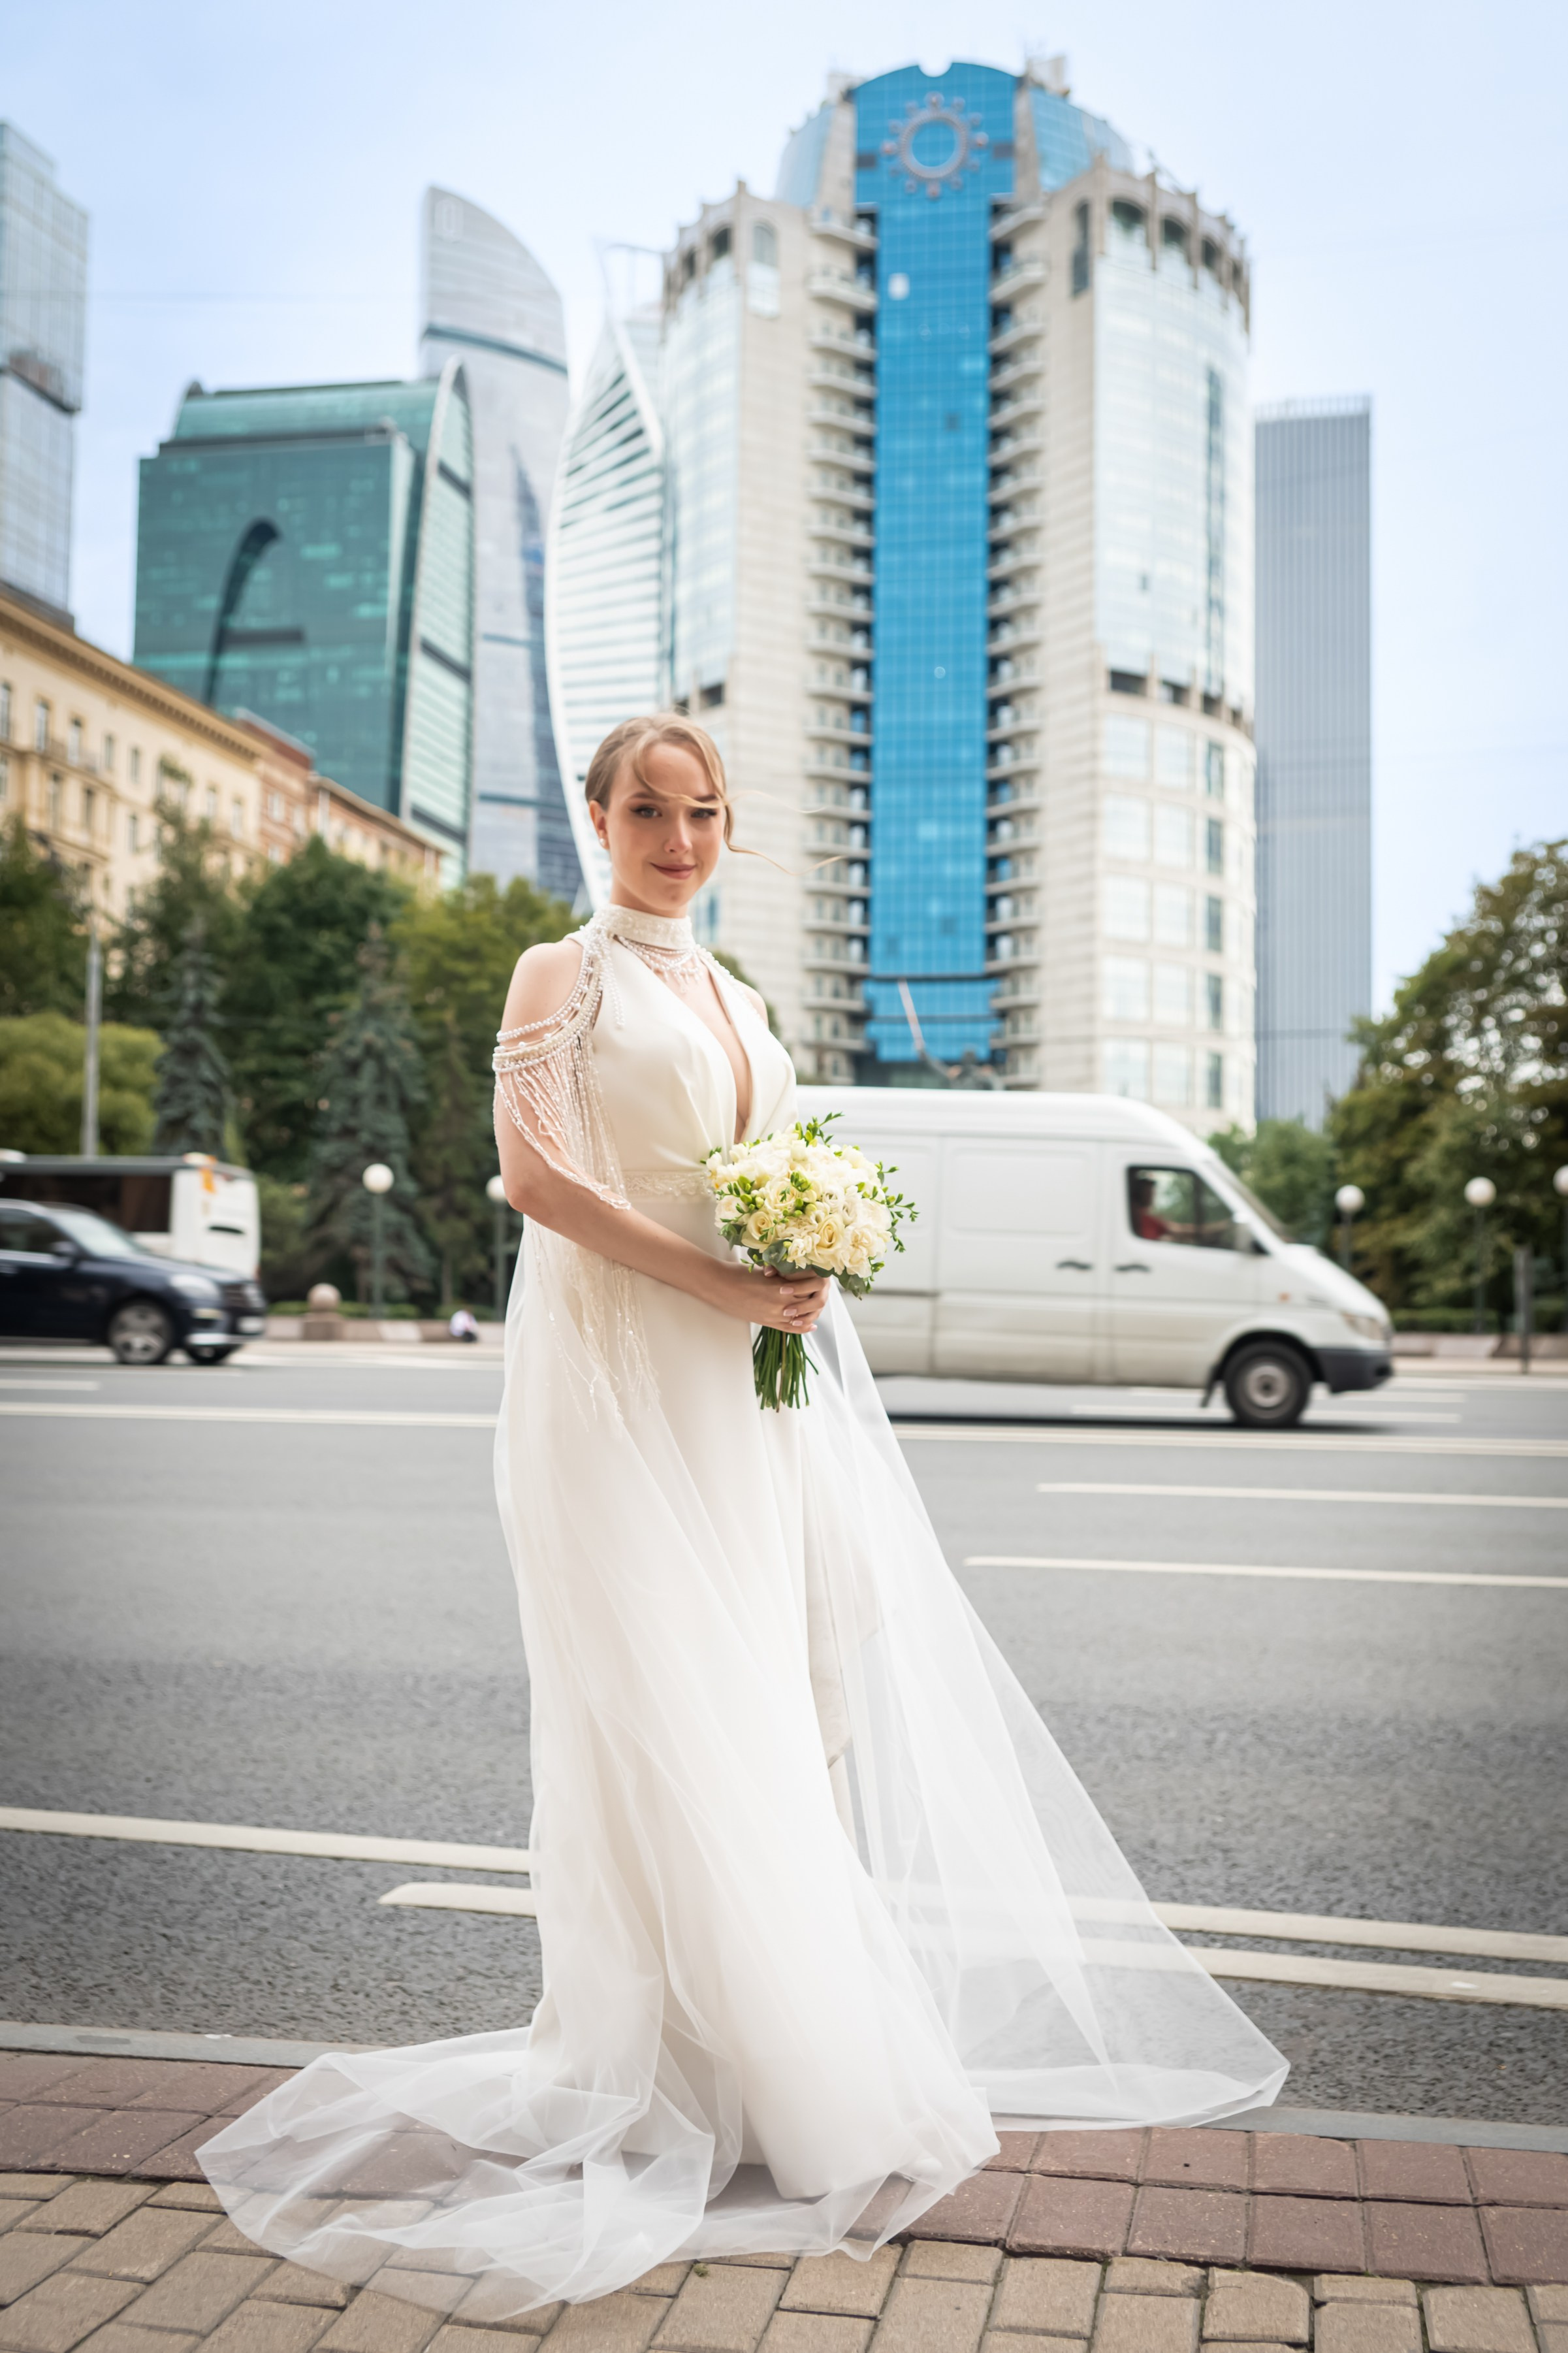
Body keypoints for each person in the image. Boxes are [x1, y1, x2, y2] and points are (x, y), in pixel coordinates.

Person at [199, 716, 1285, 2321]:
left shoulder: (737, 994)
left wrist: (799, 1256)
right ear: (596, 818)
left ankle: (760, 2064)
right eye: (648, 809)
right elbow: (536, 1182)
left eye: (703, 811)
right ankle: (677, 2073)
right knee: (667, 1703)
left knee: (768, 1702)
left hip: (742, 1385)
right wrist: (721, 1277)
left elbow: (756, 1164)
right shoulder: (559, 976)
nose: (679, 838)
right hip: (616, 1379)